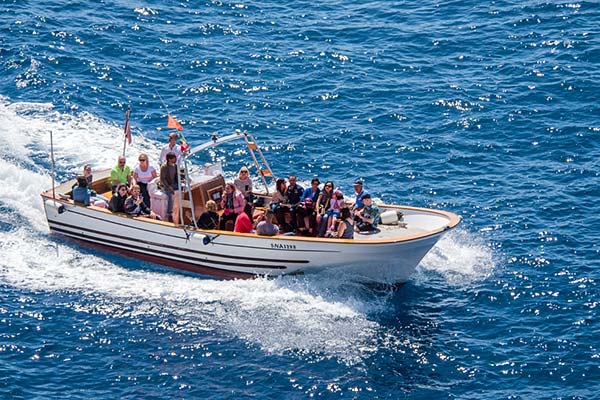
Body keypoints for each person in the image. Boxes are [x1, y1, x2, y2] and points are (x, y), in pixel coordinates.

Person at [160, 152, 179, 222]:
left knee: (186, 189)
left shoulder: (175, 166)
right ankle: (169, 213)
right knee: (170, 195)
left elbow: (177, 177)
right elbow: (162, 179)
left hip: (174, 184)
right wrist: (169, 187)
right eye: (174, 158)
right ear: (169, 159)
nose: (175, 159)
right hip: (166, 185)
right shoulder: (164, 167)